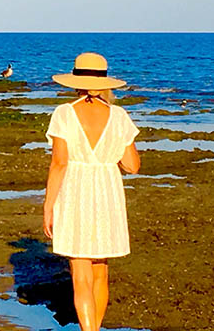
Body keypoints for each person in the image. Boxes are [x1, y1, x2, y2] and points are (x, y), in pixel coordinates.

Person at [44, 52, 141, 331]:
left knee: (81, 274)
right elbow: (133, 165)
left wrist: (48, 206)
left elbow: (59, 164)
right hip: (108, 192)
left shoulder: (64, 113)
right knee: (101, 272)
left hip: (75, 190)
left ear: (76, 81)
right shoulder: (119, 116)